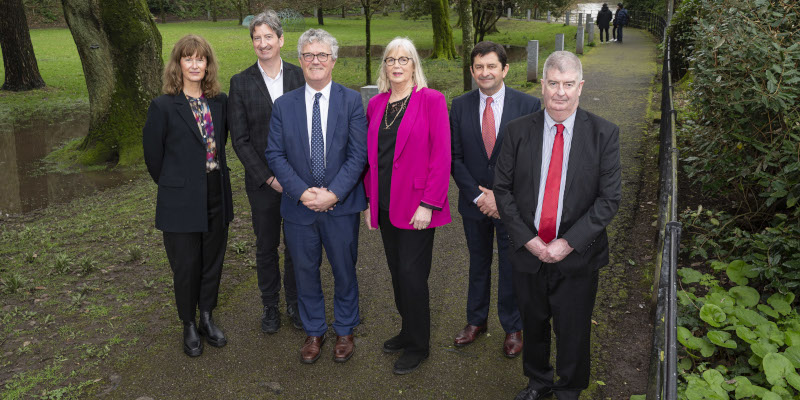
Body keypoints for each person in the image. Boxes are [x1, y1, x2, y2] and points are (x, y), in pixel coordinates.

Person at [494, 51, 621, 399]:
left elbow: (608, 200)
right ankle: (538, 382)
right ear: (542, 85)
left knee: (573, 328)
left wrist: (567, 243)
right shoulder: (518, 131)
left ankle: (568, 388)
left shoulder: (603, 134)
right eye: (553, 83)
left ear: (580, 87)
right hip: (528, 251)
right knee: (533, 325)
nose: (560, 92)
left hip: (577, 255)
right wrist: (529, 240)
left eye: (568, 84)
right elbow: (502, 190)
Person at [265, 28, 367, 365]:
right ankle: (313, 330)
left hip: (341, 205)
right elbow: (275, 155)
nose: (315, 61)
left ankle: (345, 329)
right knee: (305, 271)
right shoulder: (284, 105)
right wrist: (303, 192)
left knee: (344, 270)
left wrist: (334, 193)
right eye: (309, 55)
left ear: (334, 60)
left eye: (322, 54)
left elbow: (358, 155)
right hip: (299, 207)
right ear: (300, 60)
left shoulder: (351, 101)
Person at [363, 37, 451, 374]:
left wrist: (429, 203)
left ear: (414, 64)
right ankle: (407, 328)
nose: (396, 65)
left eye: (403, 59)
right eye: (390, 60)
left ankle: (419, 345)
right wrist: (371, 201)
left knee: (414, 277)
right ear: (384, 66)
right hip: (385, 206)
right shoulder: (377, 104)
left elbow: (441, 156)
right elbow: (374, 161)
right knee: (398, 274)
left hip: (418, 207)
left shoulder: (431, 100)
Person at [143, 34, 233, 357]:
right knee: (186, 264)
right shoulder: (163, 106)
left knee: (213, 260)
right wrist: (176, 184)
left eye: (200, 59)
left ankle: (207, 315)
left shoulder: (219, 101)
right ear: (178, 64)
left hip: (215, 192)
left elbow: (219, 144)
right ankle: (189, 323)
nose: (195, 64)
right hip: (180, 199)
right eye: (188, 58)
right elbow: (154, 157)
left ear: (207, 64)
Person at [449, 41, 540, 358]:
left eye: (491, 66)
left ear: (505, 69)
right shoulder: (459, 106)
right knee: (478, 262)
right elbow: (455, 158)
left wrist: (501, 200)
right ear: (472, 70)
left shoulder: (528, 106)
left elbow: (530, 162)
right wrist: (477, 196)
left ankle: (513, 327)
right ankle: (476, 321)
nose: (484, 72)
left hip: (510, 206)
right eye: (478, 67)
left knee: (511, 265)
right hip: (473, 205)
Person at [228, 10, 305, 334]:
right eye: (256, 38)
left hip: (298, 180)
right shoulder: (241, 83)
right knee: (266, 245)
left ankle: (295, 304)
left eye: (268, 37)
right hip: (262, 183)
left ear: (281, 39)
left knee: (298, 244)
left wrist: (295, 179)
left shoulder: (300, 76)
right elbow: (240, 139)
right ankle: (270, 305)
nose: (262, 43)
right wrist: (269, 177)